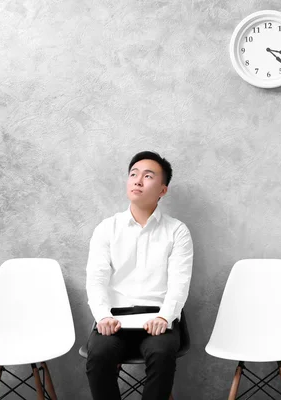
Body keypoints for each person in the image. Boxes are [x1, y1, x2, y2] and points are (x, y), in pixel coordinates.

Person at [85, 151, 193, 400]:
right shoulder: (107, 228)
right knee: (99, 354)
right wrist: (103, 316)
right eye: (133, 174)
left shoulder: (177, 231)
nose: (137, 180)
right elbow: (96, 278)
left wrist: (165, 317)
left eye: (148, 176)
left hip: (158, 321)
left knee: (162, 353)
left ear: (163, 190)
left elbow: (180, 282)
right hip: (114, 321)